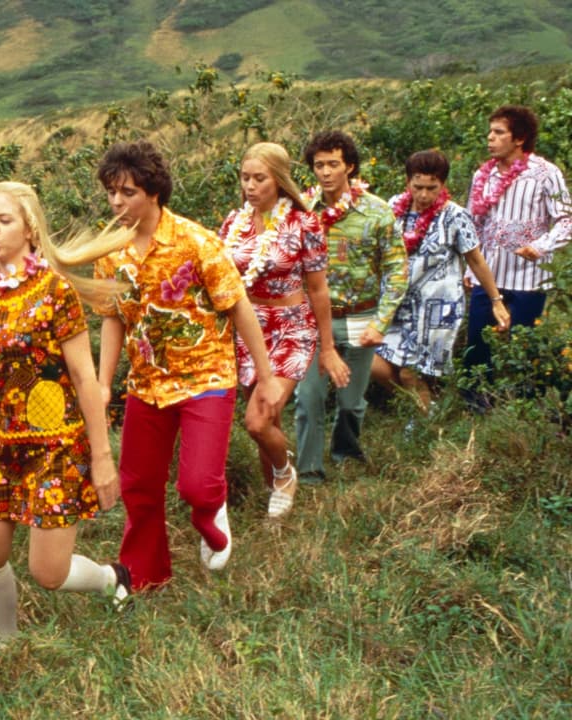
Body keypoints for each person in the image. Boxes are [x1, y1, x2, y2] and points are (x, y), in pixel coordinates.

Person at [91, 140, 284, 591]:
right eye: (111, 192)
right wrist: (103, 384)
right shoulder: (110, 250)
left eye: (128, 192)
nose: (117, 202)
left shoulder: (196, 242)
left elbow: (238, 307)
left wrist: (267, 378)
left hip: (206, 377)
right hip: (147, 384)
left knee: (197, 485)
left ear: (154, 193)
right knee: (138, 486)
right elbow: (112, 318)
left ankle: (210, 514)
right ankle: (143, 574)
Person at [0, 181, 131, 640]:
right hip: (0, 446)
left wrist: (102, 457)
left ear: (29, 229)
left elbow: (85, 379)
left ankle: (111, 579)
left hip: (55, 448)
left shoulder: (55, 291)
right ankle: (8, 642)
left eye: (3, 220)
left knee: (49, 573)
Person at [217, 142, 350, 518]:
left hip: (291, 327)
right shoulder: (234, 223)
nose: (250, 186)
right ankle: (275, 497)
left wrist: (327, 348)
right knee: (268, 418)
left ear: (278, 179)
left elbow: (318, 289)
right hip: (248, 327)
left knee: (257, 421)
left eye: (259, 178)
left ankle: (285, 474)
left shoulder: (303, 223)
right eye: (245, 178)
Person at [295, 130, 407, 483]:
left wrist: (380, 322)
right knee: (308, 396)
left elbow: (397, 270)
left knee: (351, 401)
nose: (326, 172)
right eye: (319, 165)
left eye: (333, 164)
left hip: (360, 315)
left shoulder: (377, 212)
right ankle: (309, 471)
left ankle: (346, 452)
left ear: (350, 167)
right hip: (313, 320)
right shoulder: (301, 210)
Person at [374, 149, 511, 410]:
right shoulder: (394, 208)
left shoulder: (455, 216)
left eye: (432, 188)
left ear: (443, 185)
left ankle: (422, 419)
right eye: (418, 187)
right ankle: (423, 406)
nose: (424, 195)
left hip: (437, 308)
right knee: (374, 364)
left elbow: (476, 260)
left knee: (409, 372)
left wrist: (496, 300)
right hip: (398, 302)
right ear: (408, 182)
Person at [463, 105, 571, 387]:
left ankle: (524, 403)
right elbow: (472, 225)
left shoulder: (545, 173)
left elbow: (566, 219)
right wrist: (469, 268)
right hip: (488, 277)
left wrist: (541, 246)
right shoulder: (482, 175)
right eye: (490, 132)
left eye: (499, 133)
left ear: (519, 138)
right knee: (477, 346)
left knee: (524, 350)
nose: (490, 138)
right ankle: (476, 401)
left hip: (529, 278)